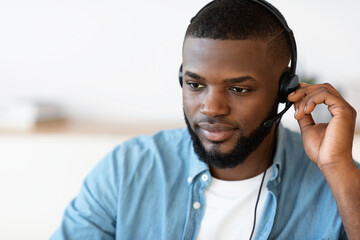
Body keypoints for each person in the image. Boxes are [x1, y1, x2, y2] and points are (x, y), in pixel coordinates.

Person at [51, 0, 360, 239]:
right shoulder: (126, 169)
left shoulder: (340, 181)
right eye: (195, 85)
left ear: (285, 92)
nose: (211, 108)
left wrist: (338, 170)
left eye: (239, 88)